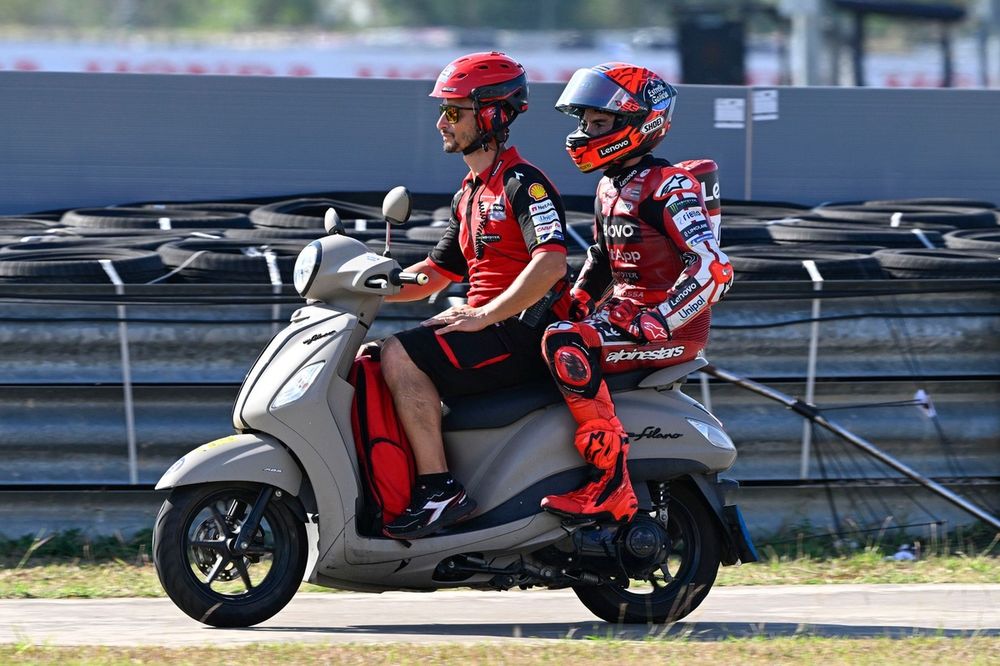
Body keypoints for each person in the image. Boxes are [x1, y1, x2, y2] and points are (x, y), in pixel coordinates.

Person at [377, 52, 571, 539]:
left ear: (492, 113)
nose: (442, 122)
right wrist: (366, 287)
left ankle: (440, 490)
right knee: (368, 356)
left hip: (523, 333)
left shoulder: (524, 184)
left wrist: (484, 314)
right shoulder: (469, 192)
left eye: (454, 111)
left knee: (399, 353)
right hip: (487, 325)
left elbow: (551, 263)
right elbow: (438, 274)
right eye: (443, 110)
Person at [539, 62, 734, 523]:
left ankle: (610, 484)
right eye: (584, 121)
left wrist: (662, 318)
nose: (584, 132)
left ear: (638, 123)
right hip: (625, 316)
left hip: (669, 328)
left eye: (599, 122)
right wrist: (574, 302)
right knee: (539, 328)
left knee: (565, 343)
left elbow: (714, 268)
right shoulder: (610, 183)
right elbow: (602, 260)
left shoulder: (670, 186)